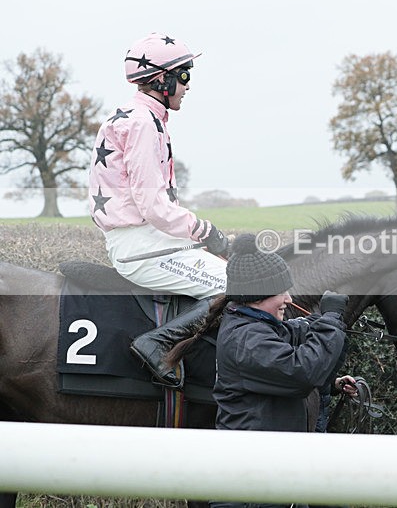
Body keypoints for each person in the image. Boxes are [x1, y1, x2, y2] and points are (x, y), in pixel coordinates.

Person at [87, 32, 229, 387]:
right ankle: (155, 343)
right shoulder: (142, 123)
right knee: (234, 286)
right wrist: (205, 230)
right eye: (183, 75)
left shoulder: (142, 117)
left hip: (150, 240)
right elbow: (153, 206)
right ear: (160, 79)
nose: (187, 85)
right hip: (143, 246)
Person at [206, 234, 355, 508]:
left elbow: (299, 335)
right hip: (250, 491)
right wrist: (332, 319)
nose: (288, 298)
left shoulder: (257, 327)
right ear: (258, 296)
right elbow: (302, 372)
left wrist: (331, 379)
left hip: (269, 477)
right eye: (281, 292)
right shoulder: (247, 340)